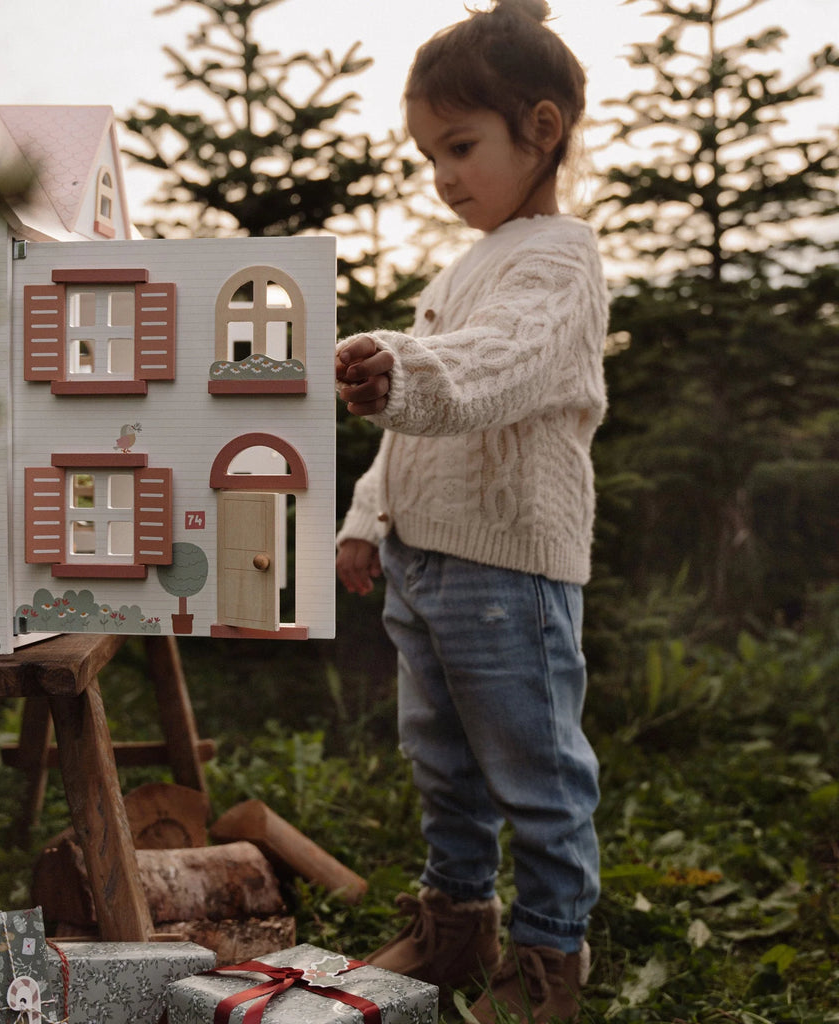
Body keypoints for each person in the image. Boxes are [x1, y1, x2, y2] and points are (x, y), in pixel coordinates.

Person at [334, 2, 607, 1021]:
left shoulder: (558, 258)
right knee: (440, 762)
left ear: (540, 129)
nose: (441, 176)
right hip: (422, 562)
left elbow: (495, 367)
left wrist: (400, 366)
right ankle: (455, 926)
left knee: (534, 773)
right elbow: (412, 430)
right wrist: (367, 517)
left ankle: (546, 963)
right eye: (427, 155)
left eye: (460, 147)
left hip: (507, 573)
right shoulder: (463, 264)